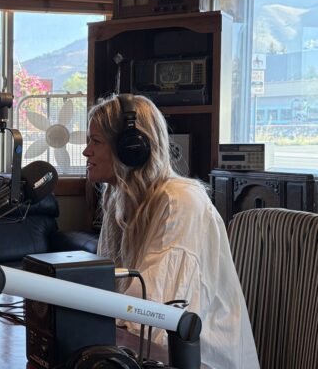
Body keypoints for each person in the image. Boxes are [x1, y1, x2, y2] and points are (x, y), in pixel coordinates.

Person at [82, 94, 259, 368]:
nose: (86, 152)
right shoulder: (119, 198)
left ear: (131, 147)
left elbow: (153, 313)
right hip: (146, 354)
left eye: (95, 141)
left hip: (201, 361)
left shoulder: (180, 201)